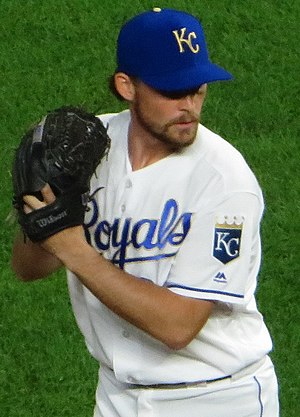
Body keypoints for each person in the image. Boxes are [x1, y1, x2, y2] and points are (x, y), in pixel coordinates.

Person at [11, 7, 280, 417]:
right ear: (127, 86)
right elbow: (28, 268)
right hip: (117, 396)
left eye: (197, 88)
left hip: (215, 399)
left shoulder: (225, 181)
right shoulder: (89, 149)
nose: (189, 105)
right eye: (172, 92)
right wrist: (39, 219)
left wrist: (73, 247)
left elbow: (178, 326)